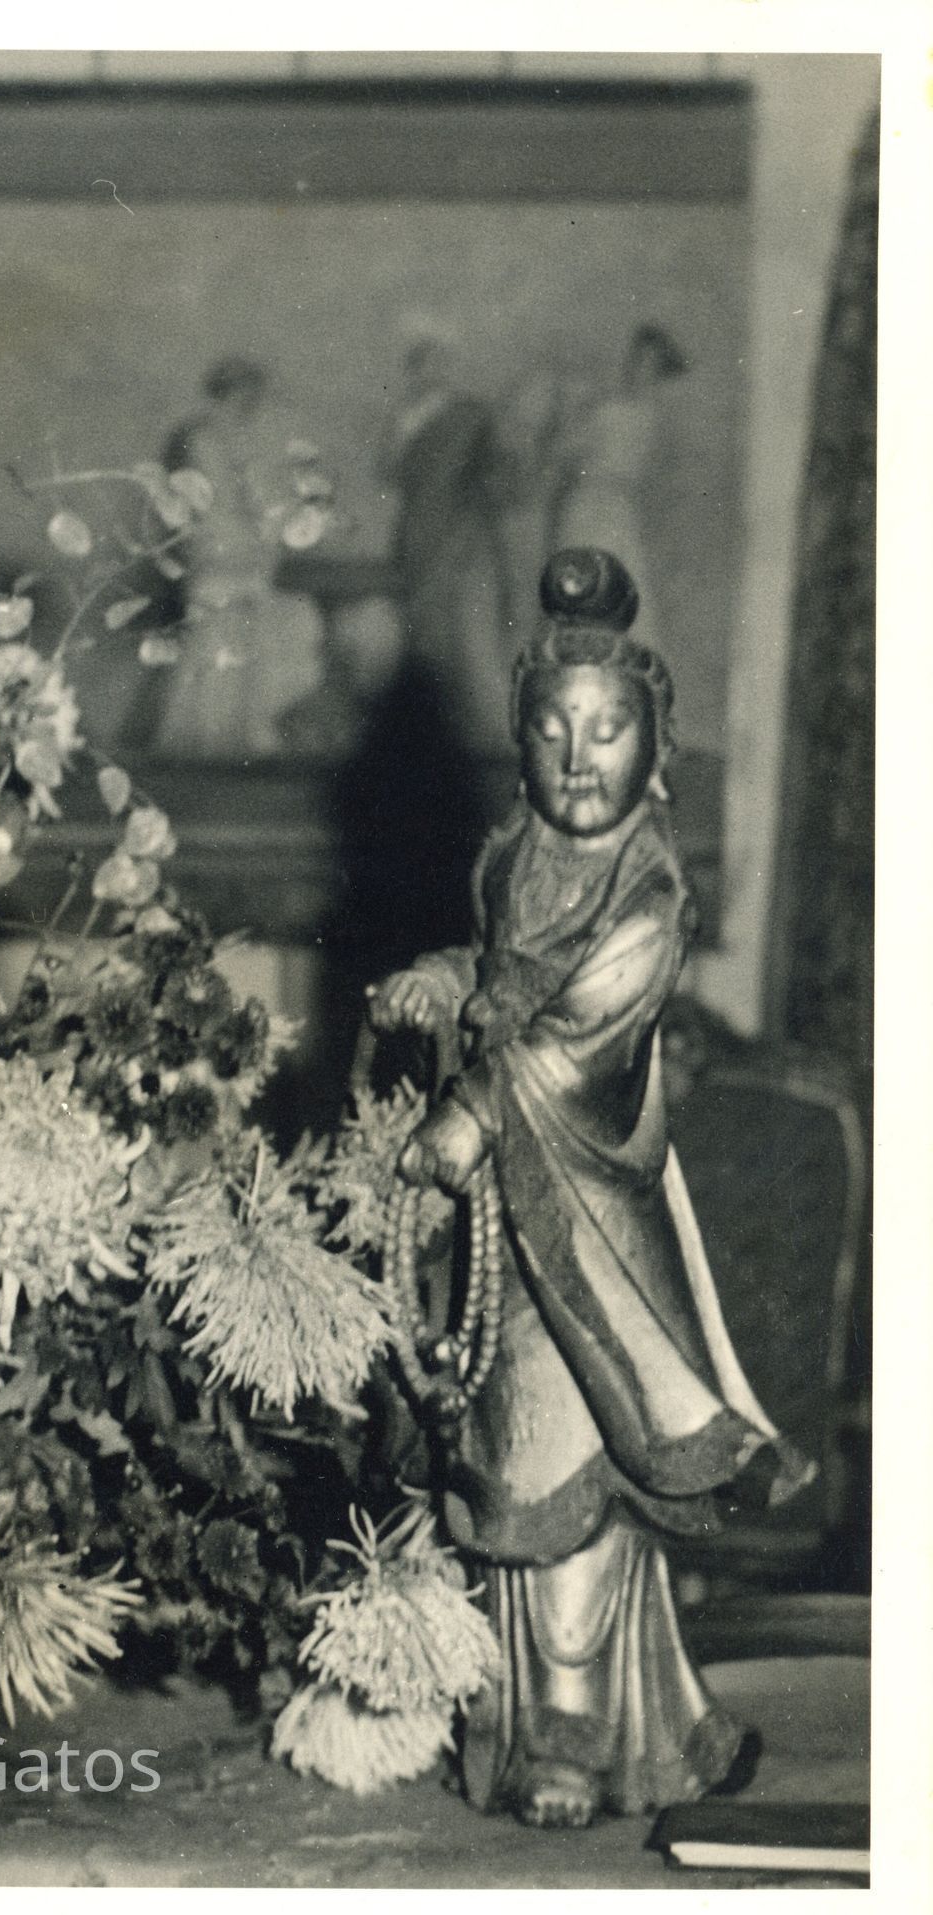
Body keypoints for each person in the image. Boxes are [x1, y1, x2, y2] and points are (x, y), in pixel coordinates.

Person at [369, 549, 810, 1828]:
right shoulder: (513, 855)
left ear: (655, 748)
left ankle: (573, 1725)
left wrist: (470, 1109)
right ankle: (504, 1706)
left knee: (562, 1445)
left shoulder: (651, 891)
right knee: (495, 1440)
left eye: (609, 730)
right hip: (509, 1214)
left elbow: (578, 1036)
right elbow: (508, 979)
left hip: (591, 1210)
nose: (578, 756)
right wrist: (448, 977)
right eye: (552, 730)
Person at [147, 356, 328, 760]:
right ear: (224, 394)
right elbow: (207, 507)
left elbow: (257, 500)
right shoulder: (199, 440)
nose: (249, 403)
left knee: (259, 636)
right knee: (217, 640)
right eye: (242, 394)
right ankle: (209, 739)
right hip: (213, 556)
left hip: (241, 555)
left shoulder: (241, 439)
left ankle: (247, 735)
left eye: (253, 396)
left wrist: (267, 527)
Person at [379, 324, 515, 754]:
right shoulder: (402, 416)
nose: (432, 371)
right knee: (422, 625)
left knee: (466, 624)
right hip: (418, 528)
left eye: (439, 362)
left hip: (463, 531)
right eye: (423, 363)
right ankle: (426, 731)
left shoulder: (471, 415)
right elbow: (388, 471)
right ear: (413, 369)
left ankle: (476, 726)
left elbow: (498, 470)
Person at [546, 325, 691, 652]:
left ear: (656, 374)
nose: (638, 371)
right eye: (636, 362)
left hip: (604, 507)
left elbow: (567, 451)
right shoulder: (618, 410)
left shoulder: (627, 414)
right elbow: (567, 453)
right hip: (595, 504)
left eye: (648, 366)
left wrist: (570, 417)